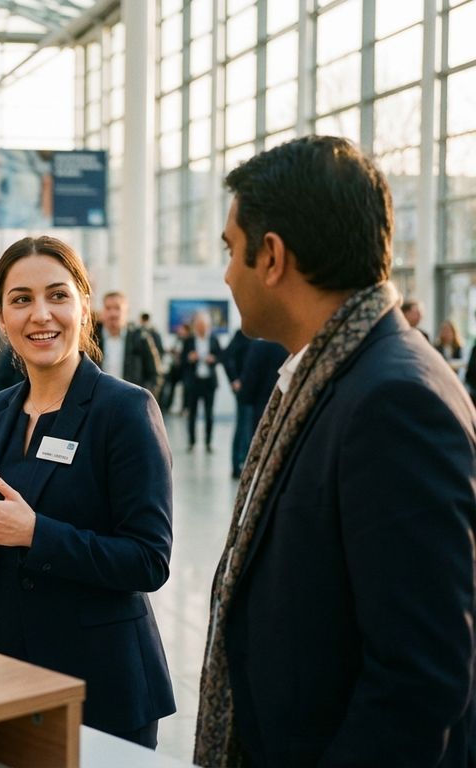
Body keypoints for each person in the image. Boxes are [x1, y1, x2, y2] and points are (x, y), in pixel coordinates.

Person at [196, 136, 476, 767]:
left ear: (271, 256)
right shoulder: (345, 374)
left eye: (230, 250)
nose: (226, 273)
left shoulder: (394, 402)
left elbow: (419, 679)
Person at [0, 236, 175, 747]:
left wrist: (37, 534)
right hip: (9, 671)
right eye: (21, 299)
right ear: (1, 316)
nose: (41, 315)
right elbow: (3, 544)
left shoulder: (124, 411)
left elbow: (148, 559)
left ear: (83, 305)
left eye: (57, 295)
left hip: (100, 683)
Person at [92, 290, 162, 396]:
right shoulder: (91, 339)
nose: (113, 313)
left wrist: (142, 399)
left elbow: (154, 375)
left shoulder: (141, 338)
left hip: (130, 402)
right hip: (98, 402)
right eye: (108, 308)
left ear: (126, 311)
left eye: (117, 308)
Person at [181, 312, 222, 451]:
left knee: (209, 414)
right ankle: (191, 442)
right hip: (194, 382)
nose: (201, 328)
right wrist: (189, 358)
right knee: (191, 413)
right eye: (198, 326)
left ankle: (208, 443)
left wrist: (214, 359)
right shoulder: (189, 340)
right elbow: (182, 360)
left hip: (209, 382)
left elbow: (221, 356)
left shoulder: (214, 339)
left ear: (208, 326)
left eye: (204, 326)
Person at [221, 329, 252, 478]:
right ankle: (237, 465)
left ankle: (246, 464)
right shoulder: (242, 334)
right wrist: (234, 380)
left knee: (250, 427)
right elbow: (226, 356)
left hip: (256, 390)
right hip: (245, 390)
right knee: (243, 426)